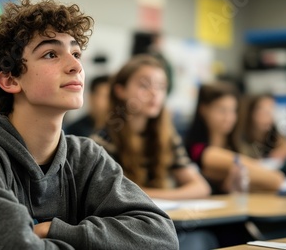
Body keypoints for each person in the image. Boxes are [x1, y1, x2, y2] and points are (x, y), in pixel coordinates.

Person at [0, 0, 178, 250]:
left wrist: (54, 230)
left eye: (76, 53)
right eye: (51, 54)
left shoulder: (86, 156)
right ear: (10, 80)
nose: (76, 66)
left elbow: (160, 236)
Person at [91, 54, 214, 249]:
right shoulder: (102, 141)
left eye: (161, 87)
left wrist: (151, 196)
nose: (154, 93)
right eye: (144, 85)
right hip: (127, 231)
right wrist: (167, 195)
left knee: (205, 237)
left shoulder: (167, 136)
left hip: (166, 221)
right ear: (120, 90)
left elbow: (201, 187)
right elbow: (112, 200)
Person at [185, 83, 284, 193]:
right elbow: (275, 180)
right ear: (203, 110)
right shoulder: (198, 150)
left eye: (233, 110)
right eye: (221, 110)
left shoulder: (237, 145)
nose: (228, 118)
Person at [237, 94, 286, 162]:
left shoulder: (276, 135)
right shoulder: (239, 137)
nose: (268, 117)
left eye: (271, 111)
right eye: (264, 112)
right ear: (251, 113)